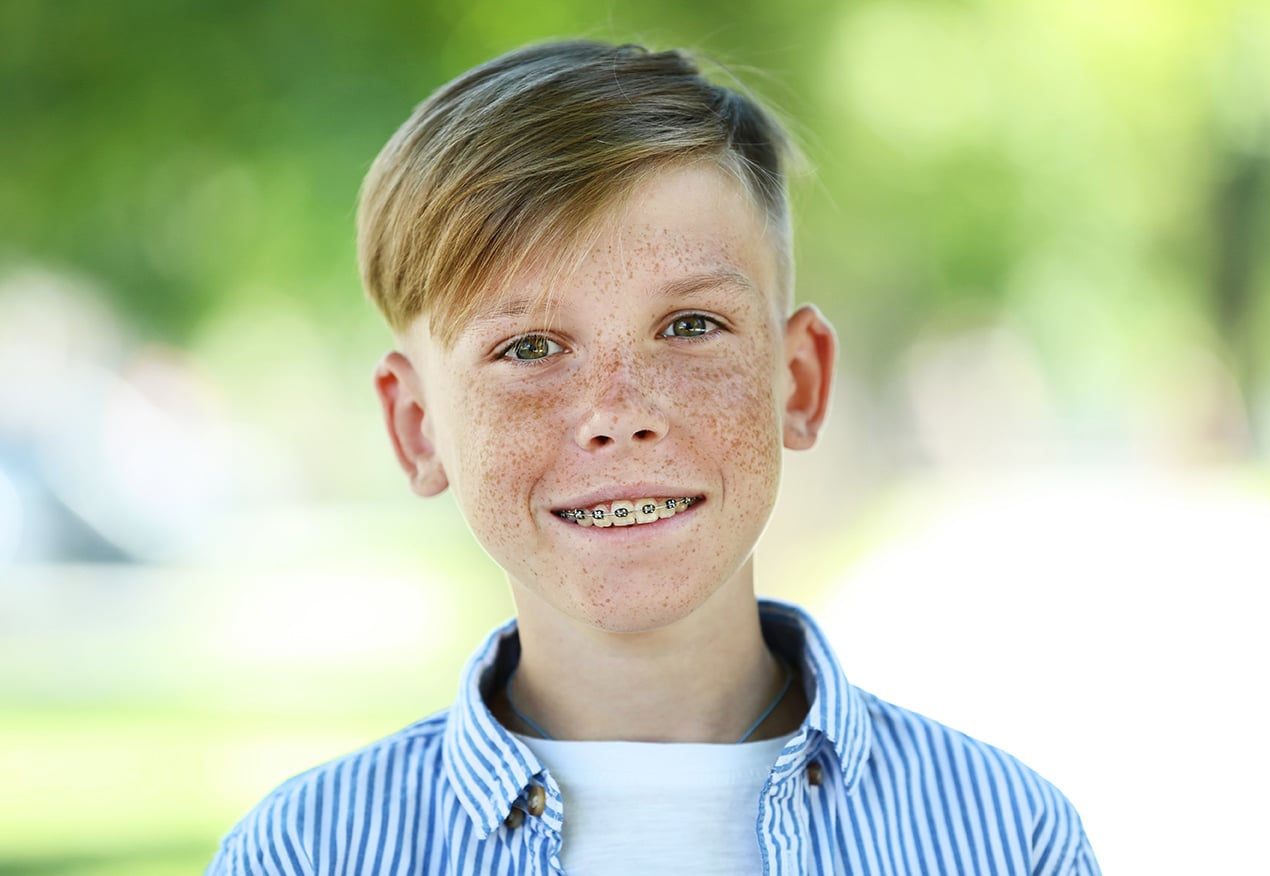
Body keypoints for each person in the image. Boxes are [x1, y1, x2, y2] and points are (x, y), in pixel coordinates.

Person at [207, 40, 1101, 875]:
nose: (618, 415)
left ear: (798, 380)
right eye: (527, 348)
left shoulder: (1003, 836)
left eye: (689, 326)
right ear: (417, 426)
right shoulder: (309, 851)